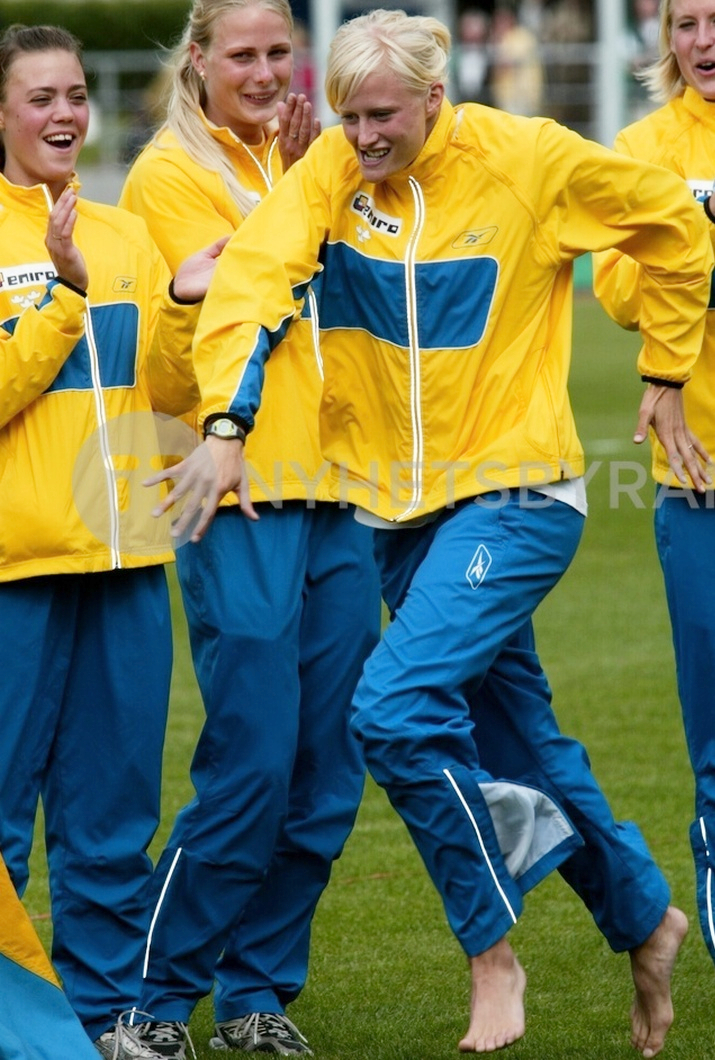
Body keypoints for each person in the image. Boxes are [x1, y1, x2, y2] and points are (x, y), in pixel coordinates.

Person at [138, 8, 713, 1056]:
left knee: (393, 710)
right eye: (348, 117)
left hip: (517, 495)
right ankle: (642, 916)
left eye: (382, 117)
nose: (361, 138)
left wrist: (668, 367)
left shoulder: (525, 157)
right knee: (519, 744)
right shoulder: (327, 172)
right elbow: (253, 282)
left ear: (434, 97)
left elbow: (674, 224)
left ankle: (490, 951)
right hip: (395, 519)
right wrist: (226, 424)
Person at [118, 0, 381, 1055]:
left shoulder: (320, 161)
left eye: (279, 51)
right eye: (243, 54)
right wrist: (207, 284)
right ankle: (151, 1001)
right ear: (199, 60)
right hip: (238, 495)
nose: (266, 72)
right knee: (253, 764)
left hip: (341, 492)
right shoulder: (167, 177)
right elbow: (169, 365)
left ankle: (255, 992)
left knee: (327, 770)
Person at [0, 22, 223, 1058]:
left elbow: (165, 392)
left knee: (111, 815)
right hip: (17, 569)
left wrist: (180, 302)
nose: (64, 113)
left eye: (76, 94)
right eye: (41, 96)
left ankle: (103, 1020)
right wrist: (64, 294)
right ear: (3, 113)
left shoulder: (126, 232)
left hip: (128, 560)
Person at [593, 0, 715, 976]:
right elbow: (614, 288)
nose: (704, 42)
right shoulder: (640, 151)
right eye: (686, 23)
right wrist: (691, 239)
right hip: (697, 485)